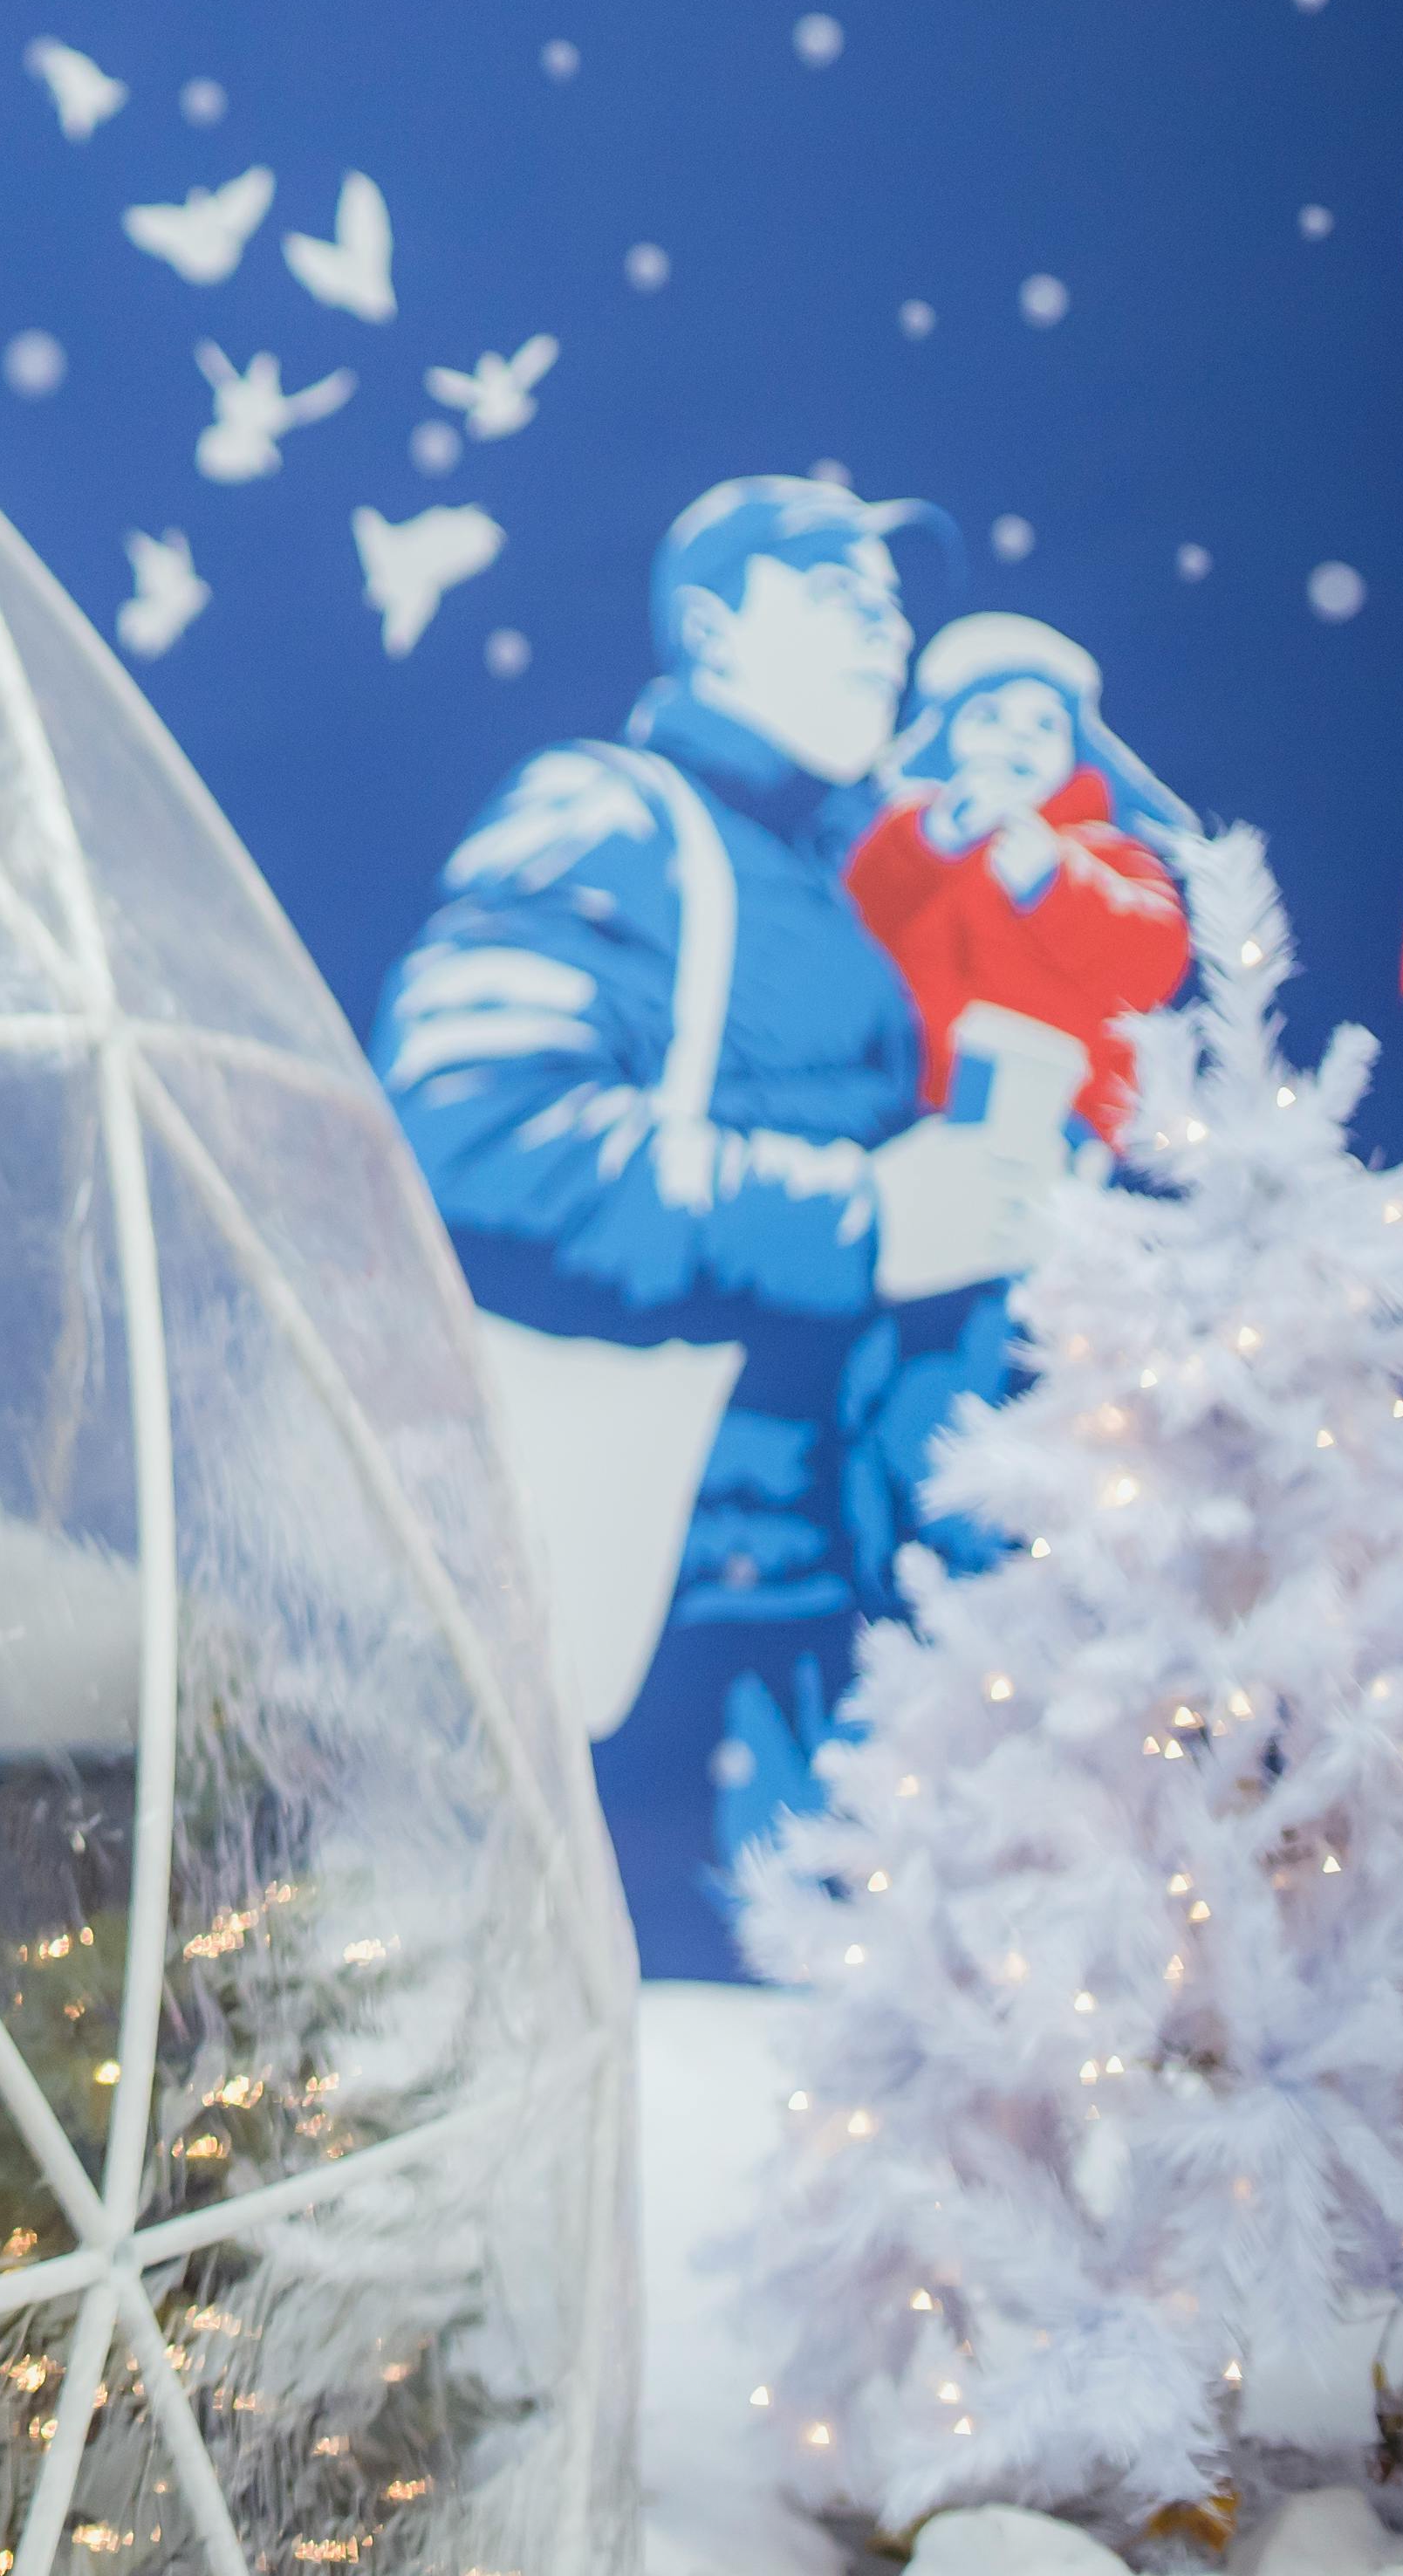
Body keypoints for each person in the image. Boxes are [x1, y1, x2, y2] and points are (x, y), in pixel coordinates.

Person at [370, 476, 1044, 1980]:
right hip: (654, 1642)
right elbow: (471, 1128)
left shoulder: (851, 878)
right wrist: (863, 1218)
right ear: (714, 625)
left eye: (896, 602)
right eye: (841, 592)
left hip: (828, 1609)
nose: (888, 630)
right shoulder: (614, 815)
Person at [845, 610, 1195, 1155]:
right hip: (910, 1114)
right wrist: (931, 842)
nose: (1016, 738)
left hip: (1060, 1120)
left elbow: (1154, 961)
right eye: (989, 718)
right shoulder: (909, 838)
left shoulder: (1103, 851)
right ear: (945, 739)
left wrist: (1055, 885)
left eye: (1043, 725)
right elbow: (854, 922)